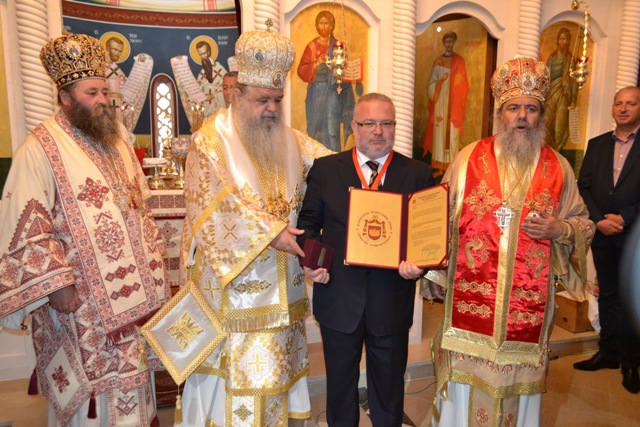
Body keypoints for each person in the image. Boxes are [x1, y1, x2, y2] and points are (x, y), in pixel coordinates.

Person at [0, 33, 171, 426]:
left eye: (104, 91)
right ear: (65, 96)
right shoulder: (39, 147)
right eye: (91, 93)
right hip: (81, 301)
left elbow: (139, 204)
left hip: (134, 299)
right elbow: (26, 222)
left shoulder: (117, 140)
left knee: (133, 385)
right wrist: (56, 285)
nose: (102, 100)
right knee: (93, 396)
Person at [176, 26, 332, 427]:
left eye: (278, 100)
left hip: (284, 294)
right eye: (262, 100)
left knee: (277, 381)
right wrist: (271, 233)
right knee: (233, 392)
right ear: (236, 95)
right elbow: (210, 206)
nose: (272, 109)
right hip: (234, 300)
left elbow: (334, 168)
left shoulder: (292, 140)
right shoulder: (210, 141)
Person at [427, 57, 594, 426]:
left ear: (541, 116)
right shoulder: (469, 159)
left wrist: (560, 230)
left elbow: (584, 224)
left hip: (526, 317)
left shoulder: (559, 169)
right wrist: (436, 275)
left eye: (531, 109)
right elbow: (441, 219)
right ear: (500, 114)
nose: (522, 116)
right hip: (470, 311)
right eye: (513, 107)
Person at [297, 92, 435, 425]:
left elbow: (427, 234)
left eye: (386, 123)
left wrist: (419, 265)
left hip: (391, 299)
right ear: (354, 127)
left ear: (395, 127)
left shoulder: (417, 173)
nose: (378, 131)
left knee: (388, 392)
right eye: (369, 123)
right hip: (339, 298)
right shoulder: (326, 169)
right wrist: (314, 263)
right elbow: (309, 225)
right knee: (340, 390)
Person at [575, 86, 640, 394]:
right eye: (618, 103)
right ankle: (609, 353)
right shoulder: (597, 144)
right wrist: (598, 219)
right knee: (608, 295)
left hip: (634, 236)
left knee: (631, 300)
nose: (623, 109)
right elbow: (584, 186)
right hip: (602, 232)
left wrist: (624, 217)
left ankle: (631, 362)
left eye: (631, 103)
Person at [297, 10, 356, 152]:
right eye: (320, 23)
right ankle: (315, 157)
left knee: (332, 128)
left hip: (333, 91)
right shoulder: (311, 46)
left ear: (332, 26)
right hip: (316, 92)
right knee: (314, 128)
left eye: (326, 23)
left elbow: (346, 70)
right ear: (316, 25)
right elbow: (301, 70)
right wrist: (316, 63)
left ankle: (334, 157)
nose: (323, 26)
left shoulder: (338, 46)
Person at [422, 31, 469, 175]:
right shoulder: (438, 62)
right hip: (440, 103)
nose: (449, 44)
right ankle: (439, 166)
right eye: (446, 42)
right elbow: (430, 85)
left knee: (452, 135)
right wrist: (440, 82)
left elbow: (464, 84)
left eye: (451, 41)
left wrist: (457, 83)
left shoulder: (459, 61)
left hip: (453, 105)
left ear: (454, 42)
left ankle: (452, 168)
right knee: (439, 135)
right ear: (443, 43)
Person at [544, 27, 578, 151]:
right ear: (557, 41)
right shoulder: (552, 58)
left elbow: (574, 82)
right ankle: (546, 150)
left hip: (564, 94)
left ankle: (557, 152)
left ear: (569, 41)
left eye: (565, 39)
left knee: (559, 125)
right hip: (551, 94)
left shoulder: (570, 60)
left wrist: (573, 100)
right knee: (546, 121)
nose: (563, 42)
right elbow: (546, 77)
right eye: (561, 39)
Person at [195, 40, 227, 116]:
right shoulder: (202, 72)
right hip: (205, 108)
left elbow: (227, 91)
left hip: (217, 109)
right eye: (200, 54)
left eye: (204, 53)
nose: (202, 57)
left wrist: (213, 96)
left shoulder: (220, 70)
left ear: (209, 52)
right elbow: (197, 90)